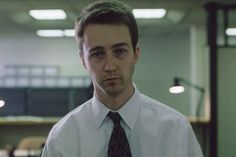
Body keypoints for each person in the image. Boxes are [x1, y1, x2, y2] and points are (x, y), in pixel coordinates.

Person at [41, 0, 203, 157]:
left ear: (136, 53)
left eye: (119, 51)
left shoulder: (176, 131)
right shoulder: (62, 137)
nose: (110, 66)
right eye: (98, 54)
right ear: (83, 59)